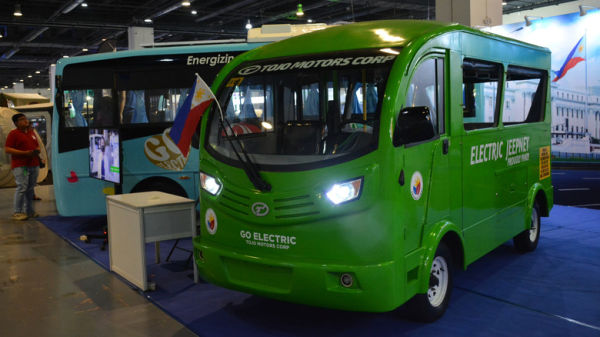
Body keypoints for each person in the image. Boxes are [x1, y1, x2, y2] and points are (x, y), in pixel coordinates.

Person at [5, 113, 42, 220]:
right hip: (21, 165)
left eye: (25, 118)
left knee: (30, 189)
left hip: (33, 164)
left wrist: (37, 151)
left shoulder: (31, 132)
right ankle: (17, 212)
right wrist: (25, 153)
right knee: (22, 187)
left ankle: (29, 211)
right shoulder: (13, 134)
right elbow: (8, 149)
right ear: (16, 123)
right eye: (21, 119)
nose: (25, 121)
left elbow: (37, 146)